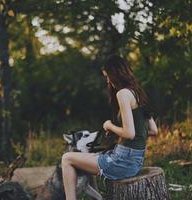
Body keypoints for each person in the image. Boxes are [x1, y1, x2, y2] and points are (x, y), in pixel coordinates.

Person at [61, 54, 158, 200]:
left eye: (107, 76)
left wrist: (110, 125)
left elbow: (130, 133)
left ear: (115, 74)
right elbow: (153, 131)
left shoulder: (123, 94)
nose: (107, 80)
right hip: (135, 161)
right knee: (90, 156)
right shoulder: (137, 92)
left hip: (123, 162)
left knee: (67, 158)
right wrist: (119, 134)